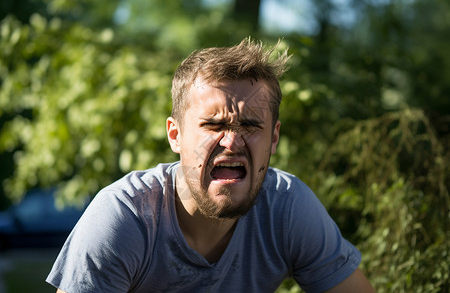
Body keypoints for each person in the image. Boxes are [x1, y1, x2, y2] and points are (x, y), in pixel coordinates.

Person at [47, 38, 375, 292]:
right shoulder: (125, 218)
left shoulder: (287, 209)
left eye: (250, 125)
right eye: (214, 125)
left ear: (274, 138)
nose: (232, 142)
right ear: (175, 135)